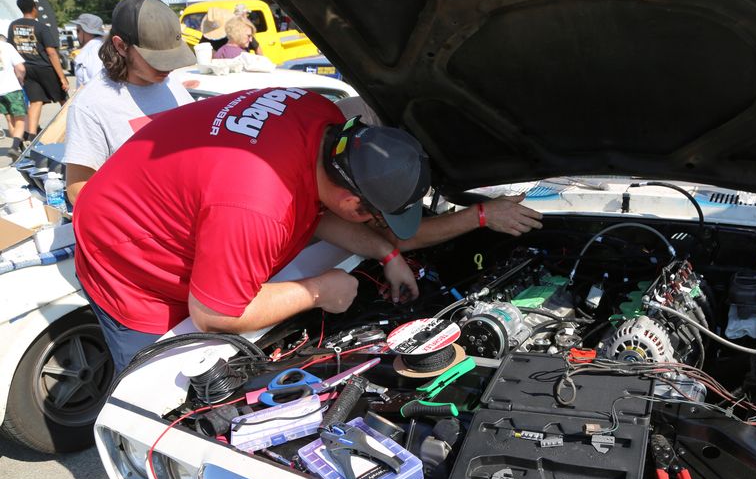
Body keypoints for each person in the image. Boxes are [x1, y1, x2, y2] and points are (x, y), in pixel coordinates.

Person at [71, 88, 542, 371]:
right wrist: (319, 291)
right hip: (129, 258)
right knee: (164, 389)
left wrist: (387, 253)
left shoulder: (322, 117)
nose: (380, 226)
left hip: (186, 200)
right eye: (375, 216)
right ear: (352, 202)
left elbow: (318, 212)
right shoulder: (258, 207)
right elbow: (214, 314)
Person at [64, 0, 196, 203]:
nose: (168, 67)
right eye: (156, 59)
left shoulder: (170, 83)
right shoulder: (90, 105)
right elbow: (78, 190)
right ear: (121, 46)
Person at [7, 0, 69, 143]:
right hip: (45, 68)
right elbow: (51, 53)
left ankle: (32, 136)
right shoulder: (41, 27)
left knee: (35, 102)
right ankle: (73, 128)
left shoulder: (13, 26)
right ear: (34, 8)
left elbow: (11, 49)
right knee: (64, 100)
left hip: (27, 70)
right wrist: (62, 77)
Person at [0, 30, 27, 158]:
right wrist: (21, 79)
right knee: (20, 119)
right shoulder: (7, 46)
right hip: (11, 87)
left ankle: (18, 148)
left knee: (10, 119)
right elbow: (20, 68)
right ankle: (15, 147)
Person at [68, 13, 105, 87]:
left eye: (78, 31)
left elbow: (97, 82)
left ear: (86, 31)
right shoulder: (100, 46)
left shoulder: (93, 52)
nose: (77, 35)